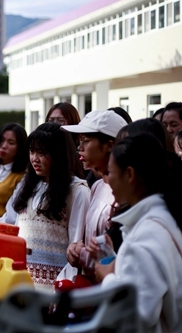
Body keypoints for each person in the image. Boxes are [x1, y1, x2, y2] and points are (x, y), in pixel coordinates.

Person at [91, 133, 182, 332]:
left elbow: (138, 316)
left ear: (129, 175)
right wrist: (114, 259)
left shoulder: (144, 234)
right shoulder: (169, 217)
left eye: (110, 172)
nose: (107, 179)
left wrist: (108, 279)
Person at [0, 122, 90, 292]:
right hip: (22, 290)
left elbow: (74, 250)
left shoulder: (77, 191)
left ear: (59, 155)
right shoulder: (27, 186)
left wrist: (60, 293)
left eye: (42, 153)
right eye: (32, 152)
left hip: (53, 294)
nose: (34, 159)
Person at [60, 110, 127, 270]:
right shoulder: (96, 186)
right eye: (79, 141)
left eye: (86, 140)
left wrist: (85, 255)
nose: (79, 147)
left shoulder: (126, 193)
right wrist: (77, 248)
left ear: (109, 146)